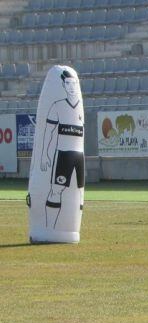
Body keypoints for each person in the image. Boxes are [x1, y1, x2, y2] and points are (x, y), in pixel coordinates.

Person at [40, 69, 84, 228]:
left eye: (74, 83)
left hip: (79, 155)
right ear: (64, 85)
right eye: (67, 83)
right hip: (63, 154)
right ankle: (50, 228)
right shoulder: (57, 106)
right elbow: (48, 131)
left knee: (79, 192)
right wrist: (44, 154)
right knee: (56, 190)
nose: (71, 86)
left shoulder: (80, 108)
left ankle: (73, 228)